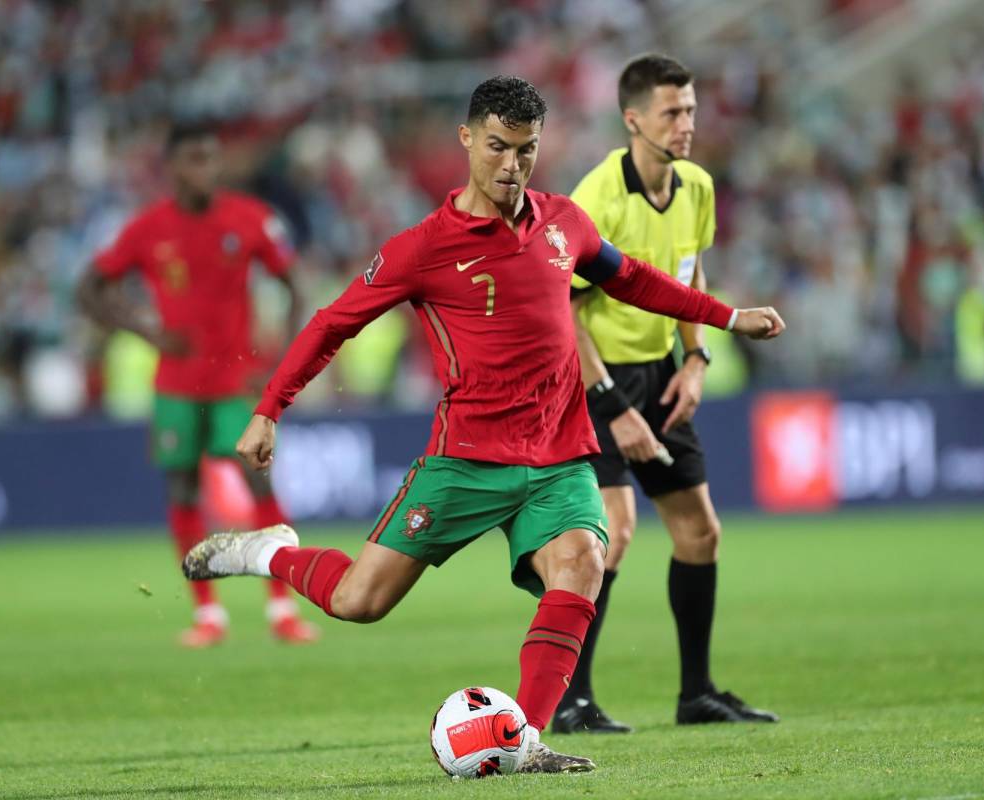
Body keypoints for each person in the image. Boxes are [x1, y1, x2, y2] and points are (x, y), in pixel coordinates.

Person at [182, 76, 784, 773]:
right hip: (465, 461)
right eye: (497, 147)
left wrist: (727, 317)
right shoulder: (423, 248)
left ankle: (525, 740)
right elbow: (331, 323)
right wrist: (269, 409)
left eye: (525, 151)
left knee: (583, 563)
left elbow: (635, 280)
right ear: (466, 140)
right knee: (358, 601)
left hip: (558, 455)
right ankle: (266, 553)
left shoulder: (565, 224)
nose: (511, 166)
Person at [553, 55, 779, 734]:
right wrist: (614, 407)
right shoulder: (596, 200)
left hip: (661, 373)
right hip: (595, 379)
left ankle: (696, 695)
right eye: (671, 113)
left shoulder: (697, 188)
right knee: (612, 533)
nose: (686, 125)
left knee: (699, 532)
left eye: (690, 111)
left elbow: (688, 274)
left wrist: (697, 357)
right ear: (633, 120)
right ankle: (571, 702)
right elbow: (563, 311)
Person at [78, 122, 318, 648]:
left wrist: (278, 359)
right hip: (177, 387)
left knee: (259, 483)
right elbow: (89, 288)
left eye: (212, 159)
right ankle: (208, 614)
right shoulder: (147, 229)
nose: (206, 170)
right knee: (182, 489)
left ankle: (282, 607)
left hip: (236, 383)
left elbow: (295, 283)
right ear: (172, 167)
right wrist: (145, 329)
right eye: (194, 160)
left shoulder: (250, 218)